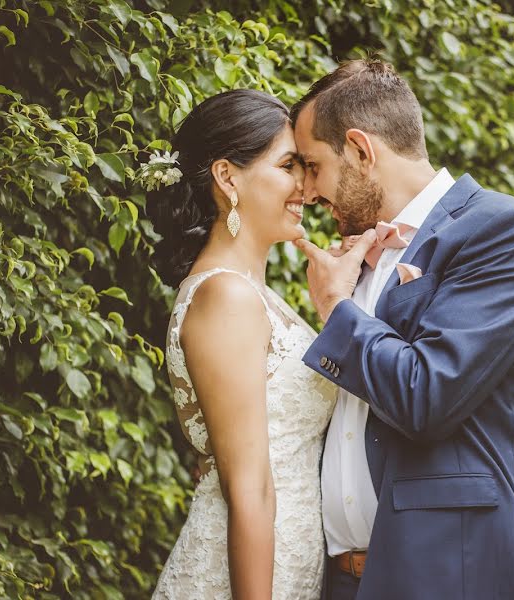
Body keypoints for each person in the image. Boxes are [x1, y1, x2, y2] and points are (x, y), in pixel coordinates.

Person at [291, 59, 514, 600]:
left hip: (449, 572)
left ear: (361, 152)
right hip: (338, 579)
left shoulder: (500, 231)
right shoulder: (357, 255)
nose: (309, 190)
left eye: (313, 165)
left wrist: (338, 307)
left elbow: (427, 394)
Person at [145, 89, 361, 599]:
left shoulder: (254, 295)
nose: (306, 188)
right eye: (289, 165)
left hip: (291, 567)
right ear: (227, 177)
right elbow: (249, 489)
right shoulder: (225, 295)